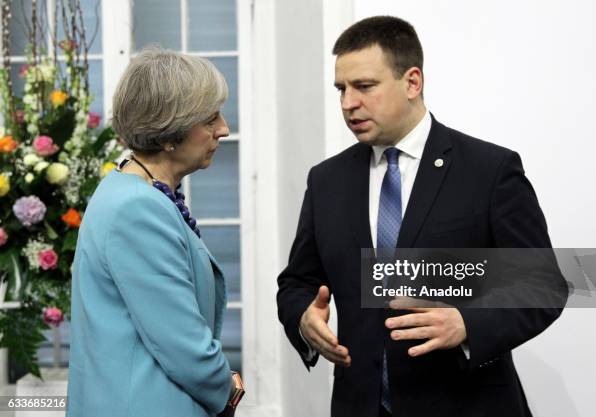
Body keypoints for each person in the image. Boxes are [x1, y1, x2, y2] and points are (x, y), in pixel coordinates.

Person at [277, 16, 567, 417]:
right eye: (341, 89)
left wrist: (468, 323)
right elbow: (298, 281)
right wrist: (304, 318)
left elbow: (543, 285)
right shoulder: (327, 180)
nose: (347, 103)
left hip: (468, 405)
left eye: (364, 86)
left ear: (412, 82)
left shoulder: (489, 170)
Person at [67, 47, 243, 417]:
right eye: (210, 119)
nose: (223, 129)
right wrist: (227, 387)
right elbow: (183, 344)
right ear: (169, 134)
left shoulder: (133, 189)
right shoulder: (137, 208)